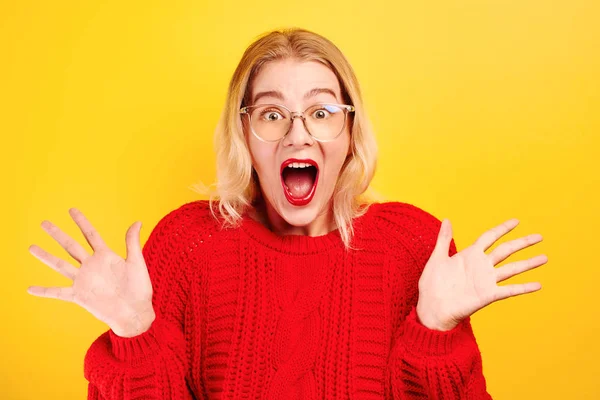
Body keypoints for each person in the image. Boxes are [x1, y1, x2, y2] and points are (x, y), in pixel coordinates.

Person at [27, 28, 547, 399]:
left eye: (321, 113)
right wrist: (135, 333)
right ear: (243, 134)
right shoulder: (186, 245)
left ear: (349, 135)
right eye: (272, 114)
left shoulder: (415, 247)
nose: (298, 133)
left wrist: (435, 329)